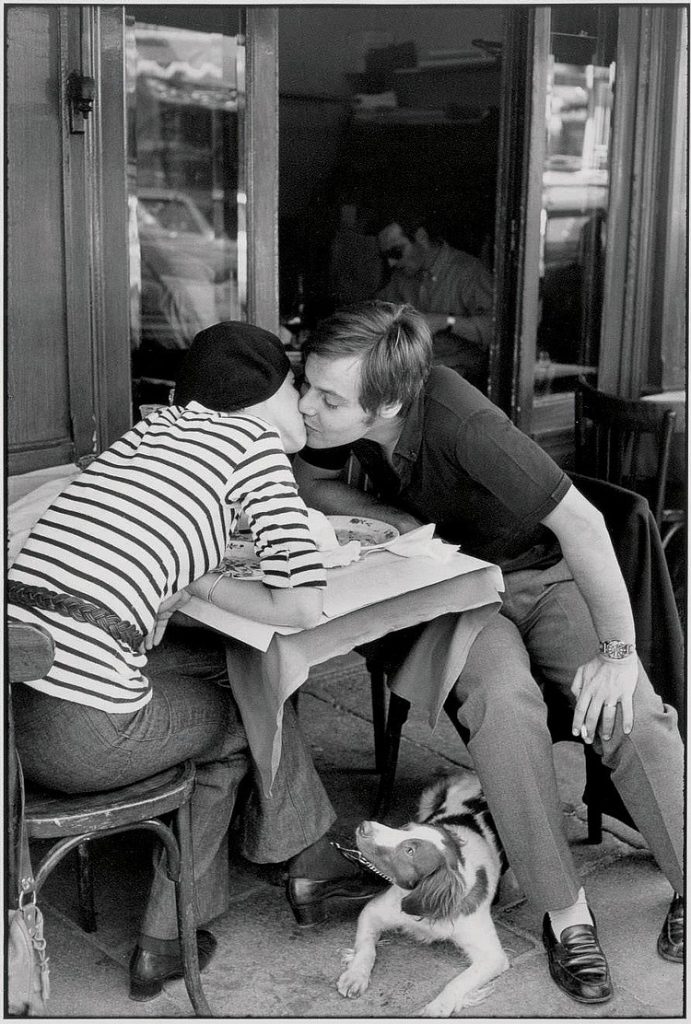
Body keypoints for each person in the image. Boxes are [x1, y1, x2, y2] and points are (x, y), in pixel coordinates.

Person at [292, 300, 684, 1005]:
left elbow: (585, 524)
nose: (305, 406)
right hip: (460, 590)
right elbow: (304, 479)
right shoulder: (330, 415)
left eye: (324, 397)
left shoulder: (462, 420)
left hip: (542, 572)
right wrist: (396, 518)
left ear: (386, 403)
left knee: (629, 706)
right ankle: (565, 913)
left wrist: (617, 651)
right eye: (306, 385)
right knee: (502, 706)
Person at [8, 321, 382, 1003]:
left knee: (229, 665)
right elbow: (300, 605)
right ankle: (169, 937)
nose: (302, 404)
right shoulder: (250, 446)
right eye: (294, 385)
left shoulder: (149, 433)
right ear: (260, 392)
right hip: (80, 737)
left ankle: (308, 856)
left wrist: (183, 586)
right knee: (239, 722)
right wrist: (204, 584)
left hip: (16, 719)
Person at [377, 213, 494, 391]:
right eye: (386, 256)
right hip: (413, 376)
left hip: (460, 382)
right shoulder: (401, 277)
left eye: (396, 252)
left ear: (421, 237)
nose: (392, 263)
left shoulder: (468, 271)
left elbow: (493, 329)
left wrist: (445, 322)